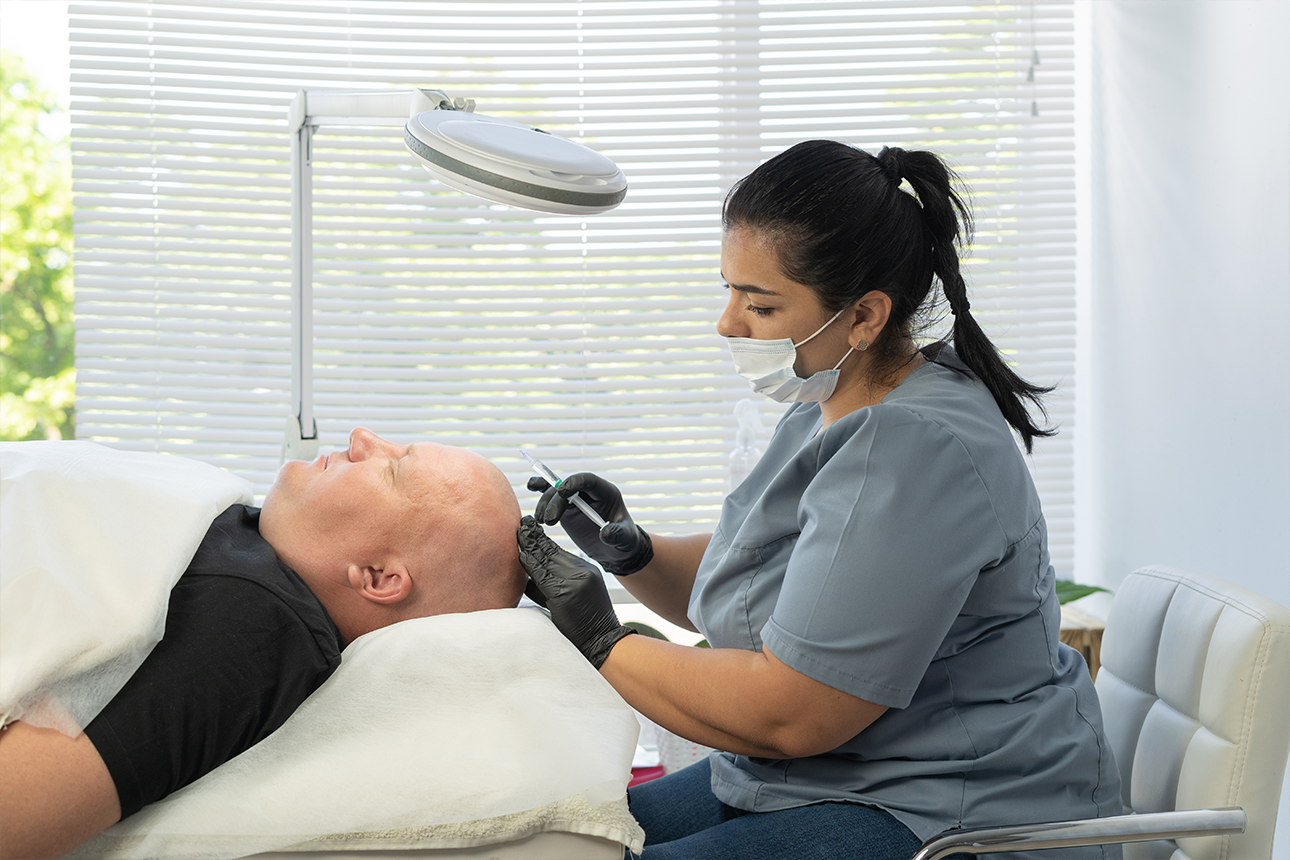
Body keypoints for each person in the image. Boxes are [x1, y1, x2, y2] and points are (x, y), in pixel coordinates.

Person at [518, 141, 1123, 859]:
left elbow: (792, 713)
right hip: (833, 776)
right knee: (561, 840)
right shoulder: (834, 399)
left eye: (760, 302)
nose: (727, 324)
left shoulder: (913, 451)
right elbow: (767, 590)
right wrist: (631, 551)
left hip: (954, 810)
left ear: (864, 316)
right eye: (729, 290)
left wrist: (599, 637)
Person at [0, 427, 526, 860]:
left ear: (379, 577)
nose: (362, 438)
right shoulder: (247, 540)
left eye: (392, 467)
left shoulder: (252, 630)